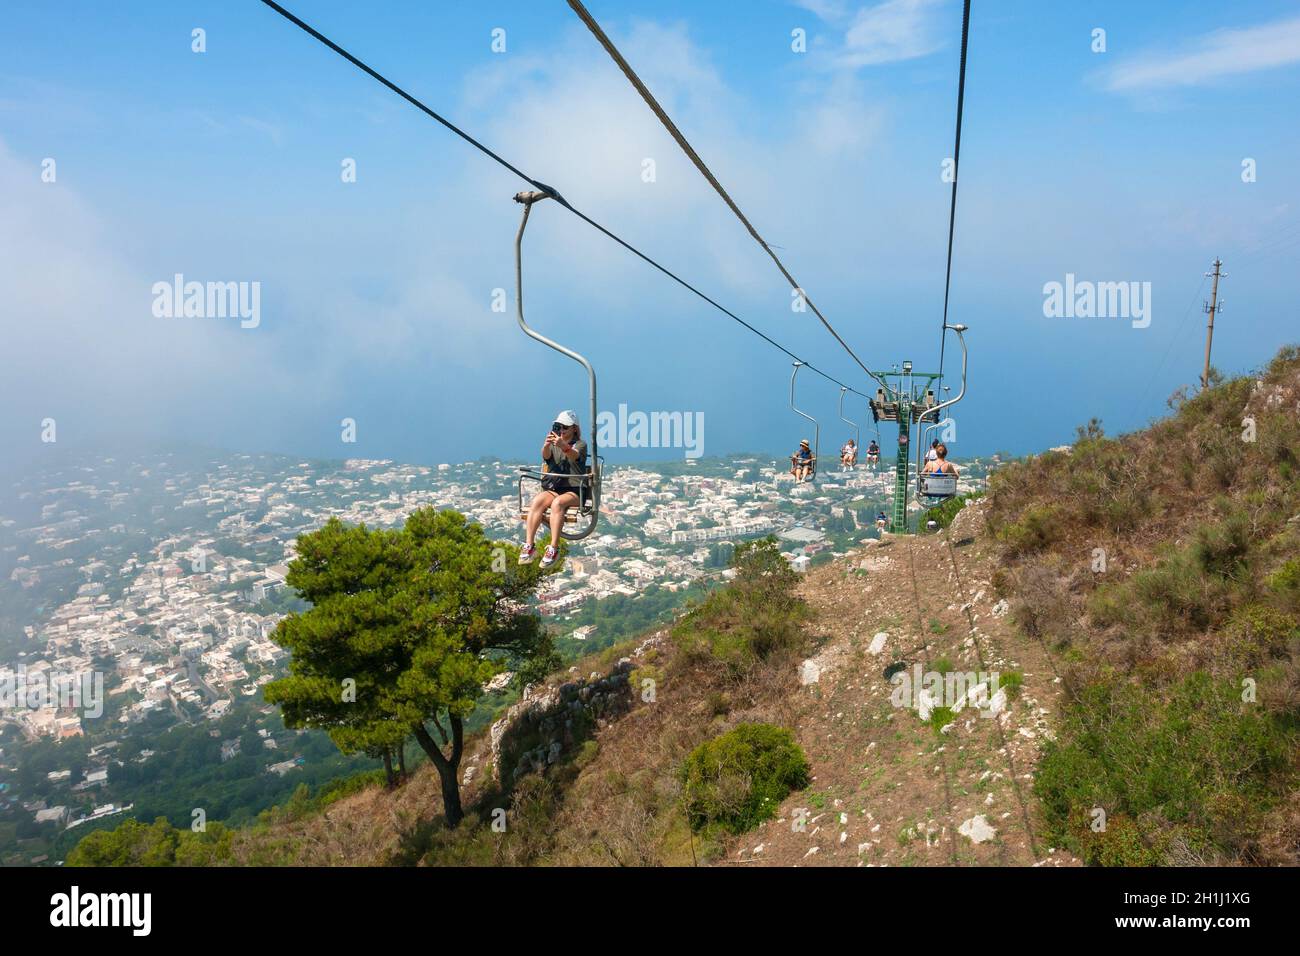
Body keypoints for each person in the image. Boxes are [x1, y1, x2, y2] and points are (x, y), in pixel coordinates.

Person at [520, 410, 588, 568]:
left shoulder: (580, 444)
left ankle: (554, 548)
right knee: (537, 501)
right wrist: (547, 445)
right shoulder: (555, 444)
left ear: (574, 429)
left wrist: (562, 445)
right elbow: (546, 456)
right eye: (559, 426)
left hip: (575, 490)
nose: (562, 430)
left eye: (565, 427)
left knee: (558, 503)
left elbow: (574, 456)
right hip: (555, 487)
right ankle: (529, 545)